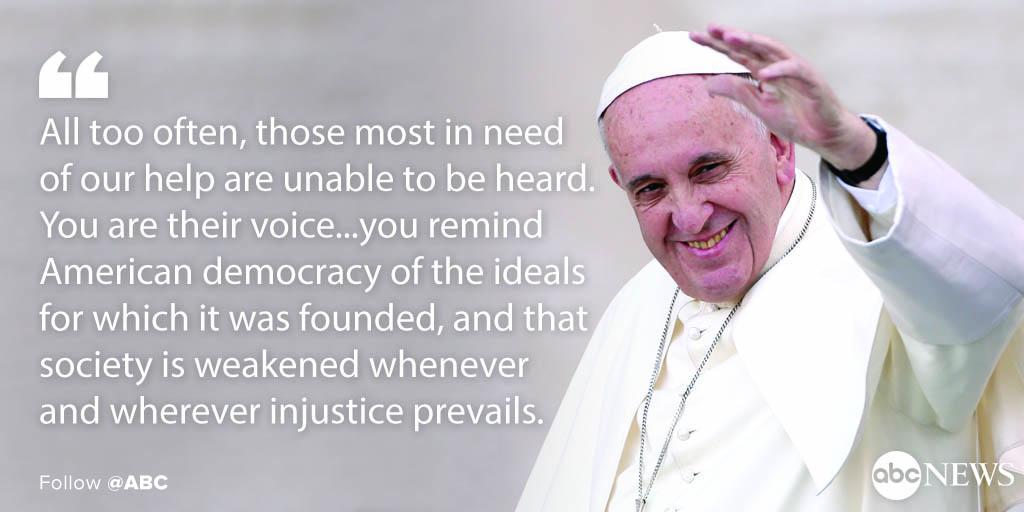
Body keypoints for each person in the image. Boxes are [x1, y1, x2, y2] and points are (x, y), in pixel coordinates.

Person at [516, 24, 1024, 511]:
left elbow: (996, 278)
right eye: (650, 188)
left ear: (779, 149)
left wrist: (856, 152)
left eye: (708, 169)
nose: (688, 217)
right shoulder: (635, 305)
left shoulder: (893, 276)